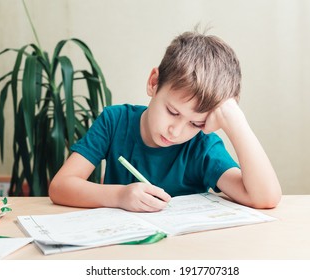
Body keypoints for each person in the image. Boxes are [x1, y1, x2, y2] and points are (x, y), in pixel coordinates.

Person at [49, 29, 282, 212]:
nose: (176, 130)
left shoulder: (202, 146)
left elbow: (265, 198)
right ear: (153, 83)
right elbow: (60, 187)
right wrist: (119, 196)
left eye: (195, 123)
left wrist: (236, 122)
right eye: (172, 111)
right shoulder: (114, 121)